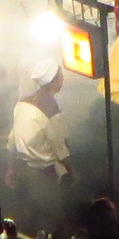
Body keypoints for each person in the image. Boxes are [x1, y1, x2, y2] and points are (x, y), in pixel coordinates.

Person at [8, 64, 73, 230]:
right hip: (44, 174)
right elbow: (60, 146)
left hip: (23, 170)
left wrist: (11, 168)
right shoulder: (50, 106)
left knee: (26, 217)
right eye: (61, 76)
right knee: (49, 219)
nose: (62, 80)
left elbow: (13, 139)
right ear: (54, 81)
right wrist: (72, 170)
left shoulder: (22, 101)